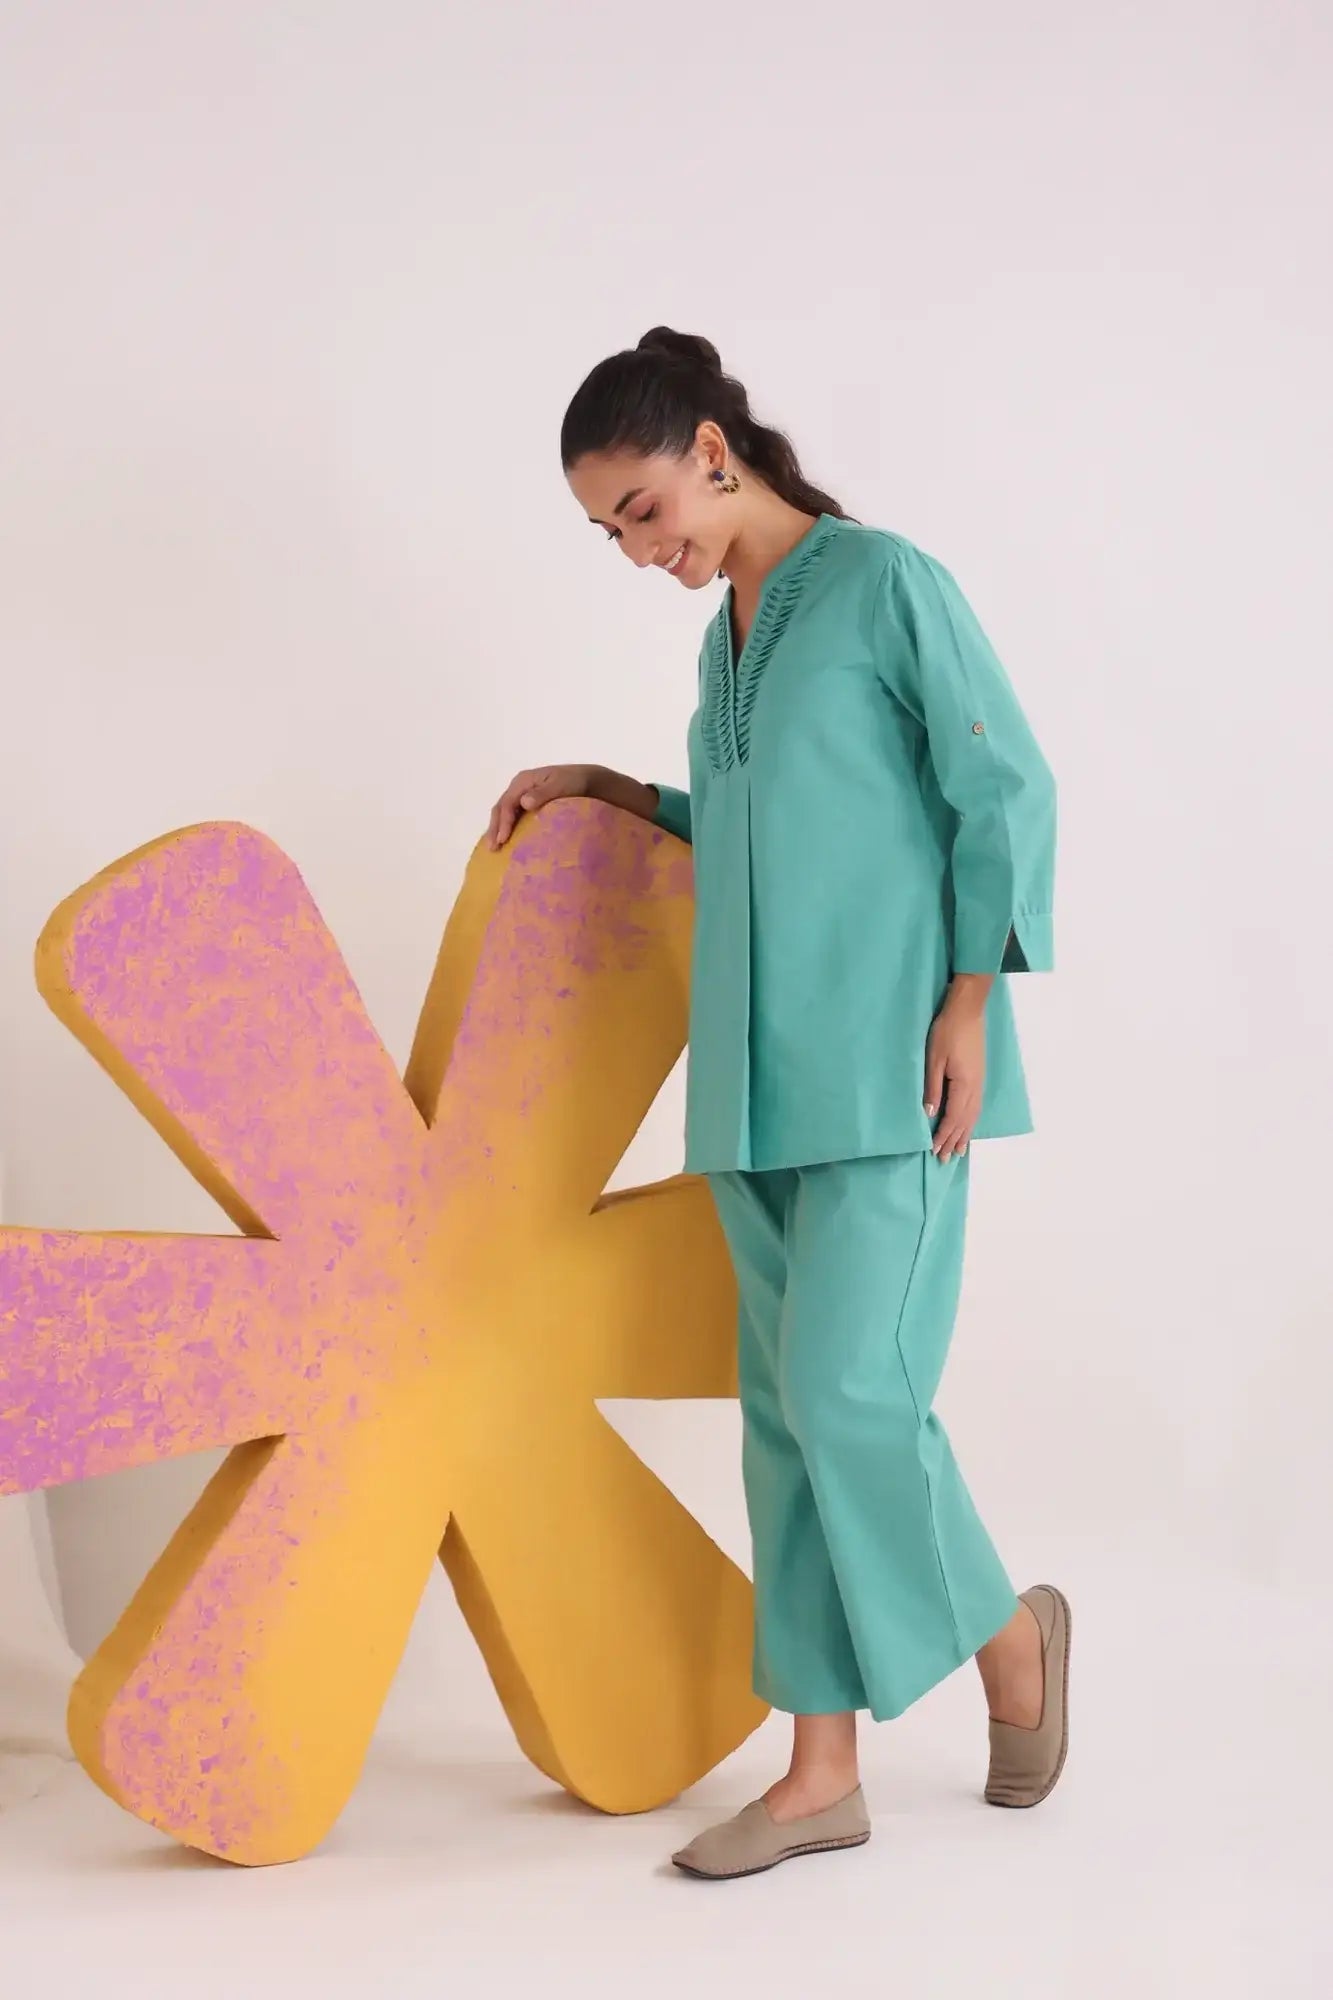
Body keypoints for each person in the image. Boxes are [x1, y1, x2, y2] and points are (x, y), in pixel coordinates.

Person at [488, 327, 1067, 1882]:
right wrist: (615, 792)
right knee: (784, 1428)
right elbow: (761, 833)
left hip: (889, 1074)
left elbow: (1004, 790)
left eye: (640, 509)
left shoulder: (881, 583)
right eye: (608, 532)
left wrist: (969, 1001)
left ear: (710, 451)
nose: (636, 549)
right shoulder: (722, 646)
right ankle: (818, 1773)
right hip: (749, 1093)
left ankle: (1011, 1639)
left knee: (850, 1398)